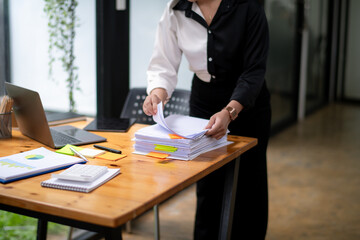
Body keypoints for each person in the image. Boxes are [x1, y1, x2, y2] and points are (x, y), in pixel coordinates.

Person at [143, 0, 271, 239]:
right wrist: (158, 92)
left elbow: (254, 71)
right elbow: (164, 60)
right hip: (204, 100)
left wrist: (230, 112)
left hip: (247, 102)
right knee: (208, 185)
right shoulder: (175, 8)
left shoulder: (248, 7)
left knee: (248, 184)